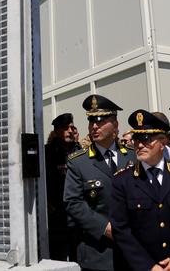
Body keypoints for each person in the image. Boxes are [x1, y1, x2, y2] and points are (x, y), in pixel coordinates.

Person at [110, 109, 170, 271]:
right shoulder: (122, 181)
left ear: (163, 142)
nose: (139, 145)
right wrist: (148, 266)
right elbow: (121, 230)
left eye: (146, 139)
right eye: (136, 139)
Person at [64, 94, 136, 271]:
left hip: (134, 250)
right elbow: (73, 202)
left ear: (115, 125)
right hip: (97, 251)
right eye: (91, 121)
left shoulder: (134, 156)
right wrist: (105, 227)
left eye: (101, 121)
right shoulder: (78, 162)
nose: (94, 126)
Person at [45, 113, 81, 260]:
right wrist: (47, 202)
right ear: (57, 131)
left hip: (76, 212)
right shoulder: (48, 151)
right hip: (56, 212)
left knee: (77, 253)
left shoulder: (79, 150)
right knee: (57, 255)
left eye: (71, 127)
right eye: (65, 128)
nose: (69, 131)